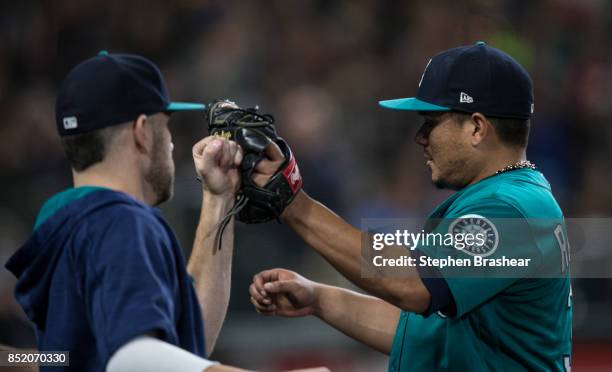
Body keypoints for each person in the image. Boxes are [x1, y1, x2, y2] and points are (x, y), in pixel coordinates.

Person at [249, 42, 572, 371]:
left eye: (431, 122)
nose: (420, 136)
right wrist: (319, 298)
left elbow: (408, 283)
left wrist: (294, 203)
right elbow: (425, 334)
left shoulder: (511, 207)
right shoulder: (501, 198)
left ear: (477, 127)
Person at [5, 52, 327, 372]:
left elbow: (177, 347)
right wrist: (299, 207)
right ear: (142, 131)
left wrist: (219, 198)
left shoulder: (60, 218)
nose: (171, 144)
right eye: (166, 127)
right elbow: (135, 359)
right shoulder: (120, 222)